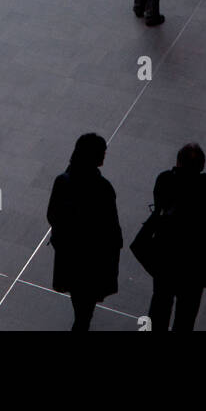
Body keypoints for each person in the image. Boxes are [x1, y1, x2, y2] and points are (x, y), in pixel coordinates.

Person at [145, 143, 206, 333]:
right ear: (202, 166)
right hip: (194, 262)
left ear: (178, 162)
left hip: (166, 255)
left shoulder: (165, 180)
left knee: (160, 304)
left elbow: (161, 204)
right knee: (186, 316)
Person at [47, 133, 123, 332]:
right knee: (84, 311)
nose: (104, 156)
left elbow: (52, 215)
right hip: (92, 259)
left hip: (71, 256)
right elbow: (111, 227)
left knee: (80, 305)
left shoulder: (63, 181)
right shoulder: (103, 188)